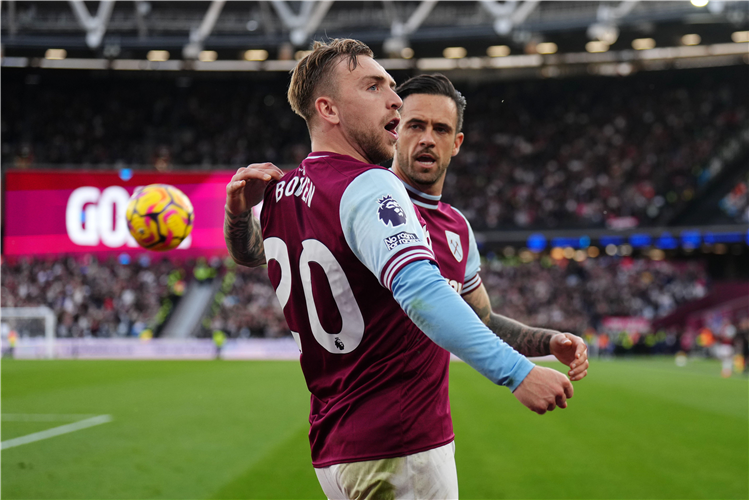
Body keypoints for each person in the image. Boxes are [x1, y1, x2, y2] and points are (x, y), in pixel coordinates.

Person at [224, 38, 573, 499]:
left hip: (336, 446)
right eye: (373, 87)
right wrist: (517, 372)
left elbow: (251, 253)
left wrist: (236, 213)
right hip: (400, 444)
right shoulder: (371, 185)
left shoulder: (284, 191)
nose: (393, 98)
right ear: (328, 109)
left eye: (392, 86)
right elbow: (421, 291)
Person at [391, 74, 588, 378]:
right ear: (394, 130)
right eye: (416, 125)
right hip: (360, 420)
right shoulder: (366, 204)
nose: (428, 139)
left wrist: (550, 341)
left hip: (433, 425)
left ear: (456, 143)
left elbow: (484, 321)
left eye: (441, 129)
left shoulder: (457, 227)